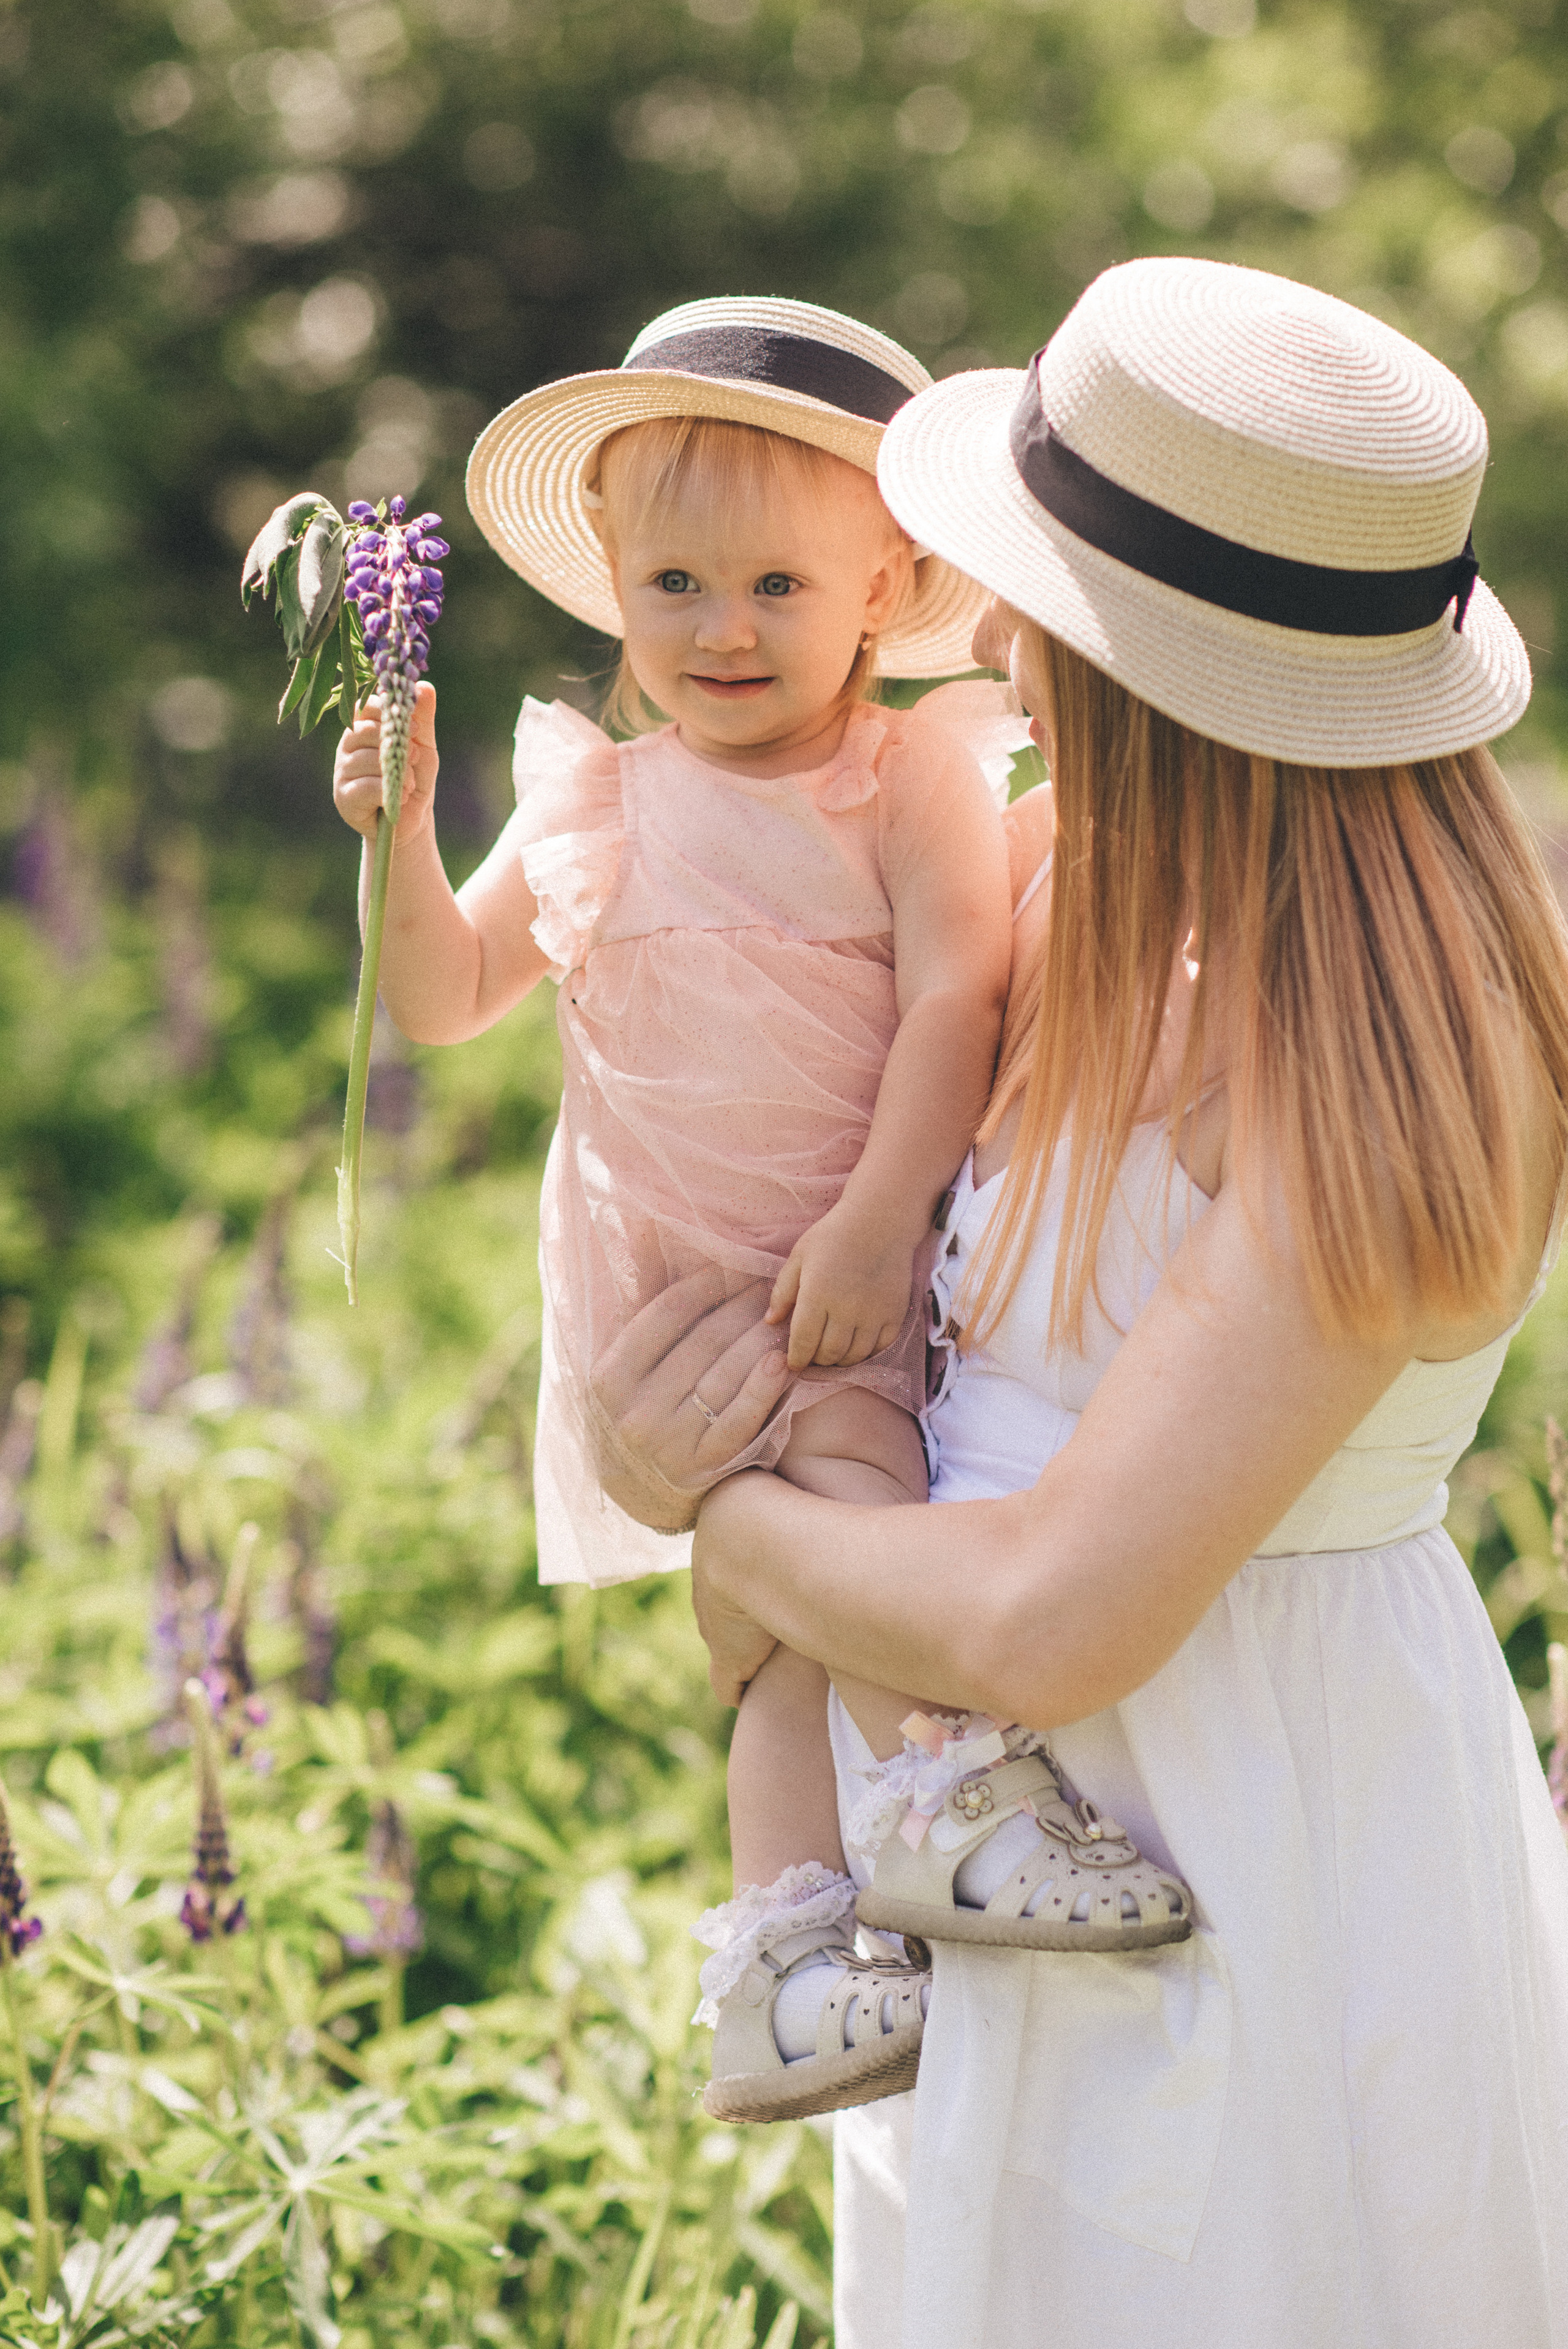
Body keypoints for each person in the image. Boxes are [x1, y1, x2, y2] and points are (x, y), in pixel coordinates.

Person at [590, 257, 1568, 2346]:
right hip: (993, 1843)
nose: (993, 644)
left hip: (1254, 1829)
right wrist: (685, 1402)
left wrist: (729, 1524)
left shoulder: (1394, 1053)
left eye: (1041, 603)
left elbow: (1058, 1613)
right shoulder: (1054, 885)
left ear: (1172, 677)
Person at [333, 295, 1188, 2128]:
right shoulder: (593, 797)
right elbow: (445, 995)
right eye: (676, 586)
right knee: (807, 1586)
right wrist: (396, 836)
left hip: (836, 1261)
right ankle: (905, 1851)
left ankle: (822, 1928)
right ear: (615, 591)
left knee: (825, 1580)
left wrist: (882, 1214)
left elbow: (956, 1000)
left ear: (884, 588)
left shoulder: (905, 779)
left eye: (779, 588)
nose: (723, 631)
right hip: (668, 1300)